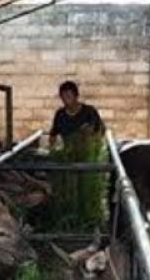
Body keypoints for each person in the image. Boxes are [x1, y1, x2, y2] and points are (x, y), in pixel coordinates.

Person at [46, 81, 107, 230]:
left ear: (76, 96)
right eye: (63, 97)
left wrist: (88, 136)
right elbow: (53, 134)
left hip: (88, 155)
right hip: (68, 156)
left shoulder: (89, 111)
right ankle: (71, 221)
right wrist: (52, 149)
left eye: (68, 96)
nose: (65, 99)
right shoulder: (60, 114)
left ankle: (90, 221)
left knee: (87, 188)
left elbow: (99, 131)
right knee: (69, 189)